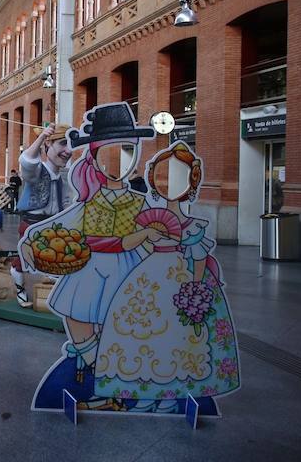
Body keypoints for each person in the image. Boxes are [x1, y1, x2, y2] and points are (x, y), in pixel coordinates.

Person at [19, 103, 160, 411]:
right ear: (95, 157)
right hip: (91, 268)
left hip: (126, 271)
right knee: (79, 317)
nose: (118, 161)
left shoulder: (140, 202)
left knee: (119, 322)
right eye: (108, 153)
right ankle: (99, 375)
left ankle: (117, 381)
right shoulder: (89, 202)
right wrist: (31, 240)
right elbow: (63, 224)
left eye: (126, 151)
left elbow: (157, 231)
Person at [93, 142, 239, 414]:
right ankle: (144, 393)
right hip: (148, 279)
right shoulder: (150, 219)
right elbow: (140, 247)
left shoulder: (193, 226)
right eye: (162, 177)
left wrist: (195, 290)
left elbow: (198, 257)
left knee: (177, 336)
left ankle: (172, 394)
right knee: (142, 330)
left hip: (181, 280)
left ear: (191, 183)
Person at [12, 123, 73, 307]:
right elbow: (27, 162)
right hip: (32, 224)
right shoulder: (37, 170)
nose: (68, 150)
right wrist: (40, 138)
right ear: (48, 144)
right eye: (62, 143)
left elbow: (65, 202)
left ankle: (53, 294)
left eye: (70, 145)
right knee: (23, 259)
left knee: (59, 257)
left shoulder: (61, 178)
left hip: (53, 225)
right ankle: (20, 289)